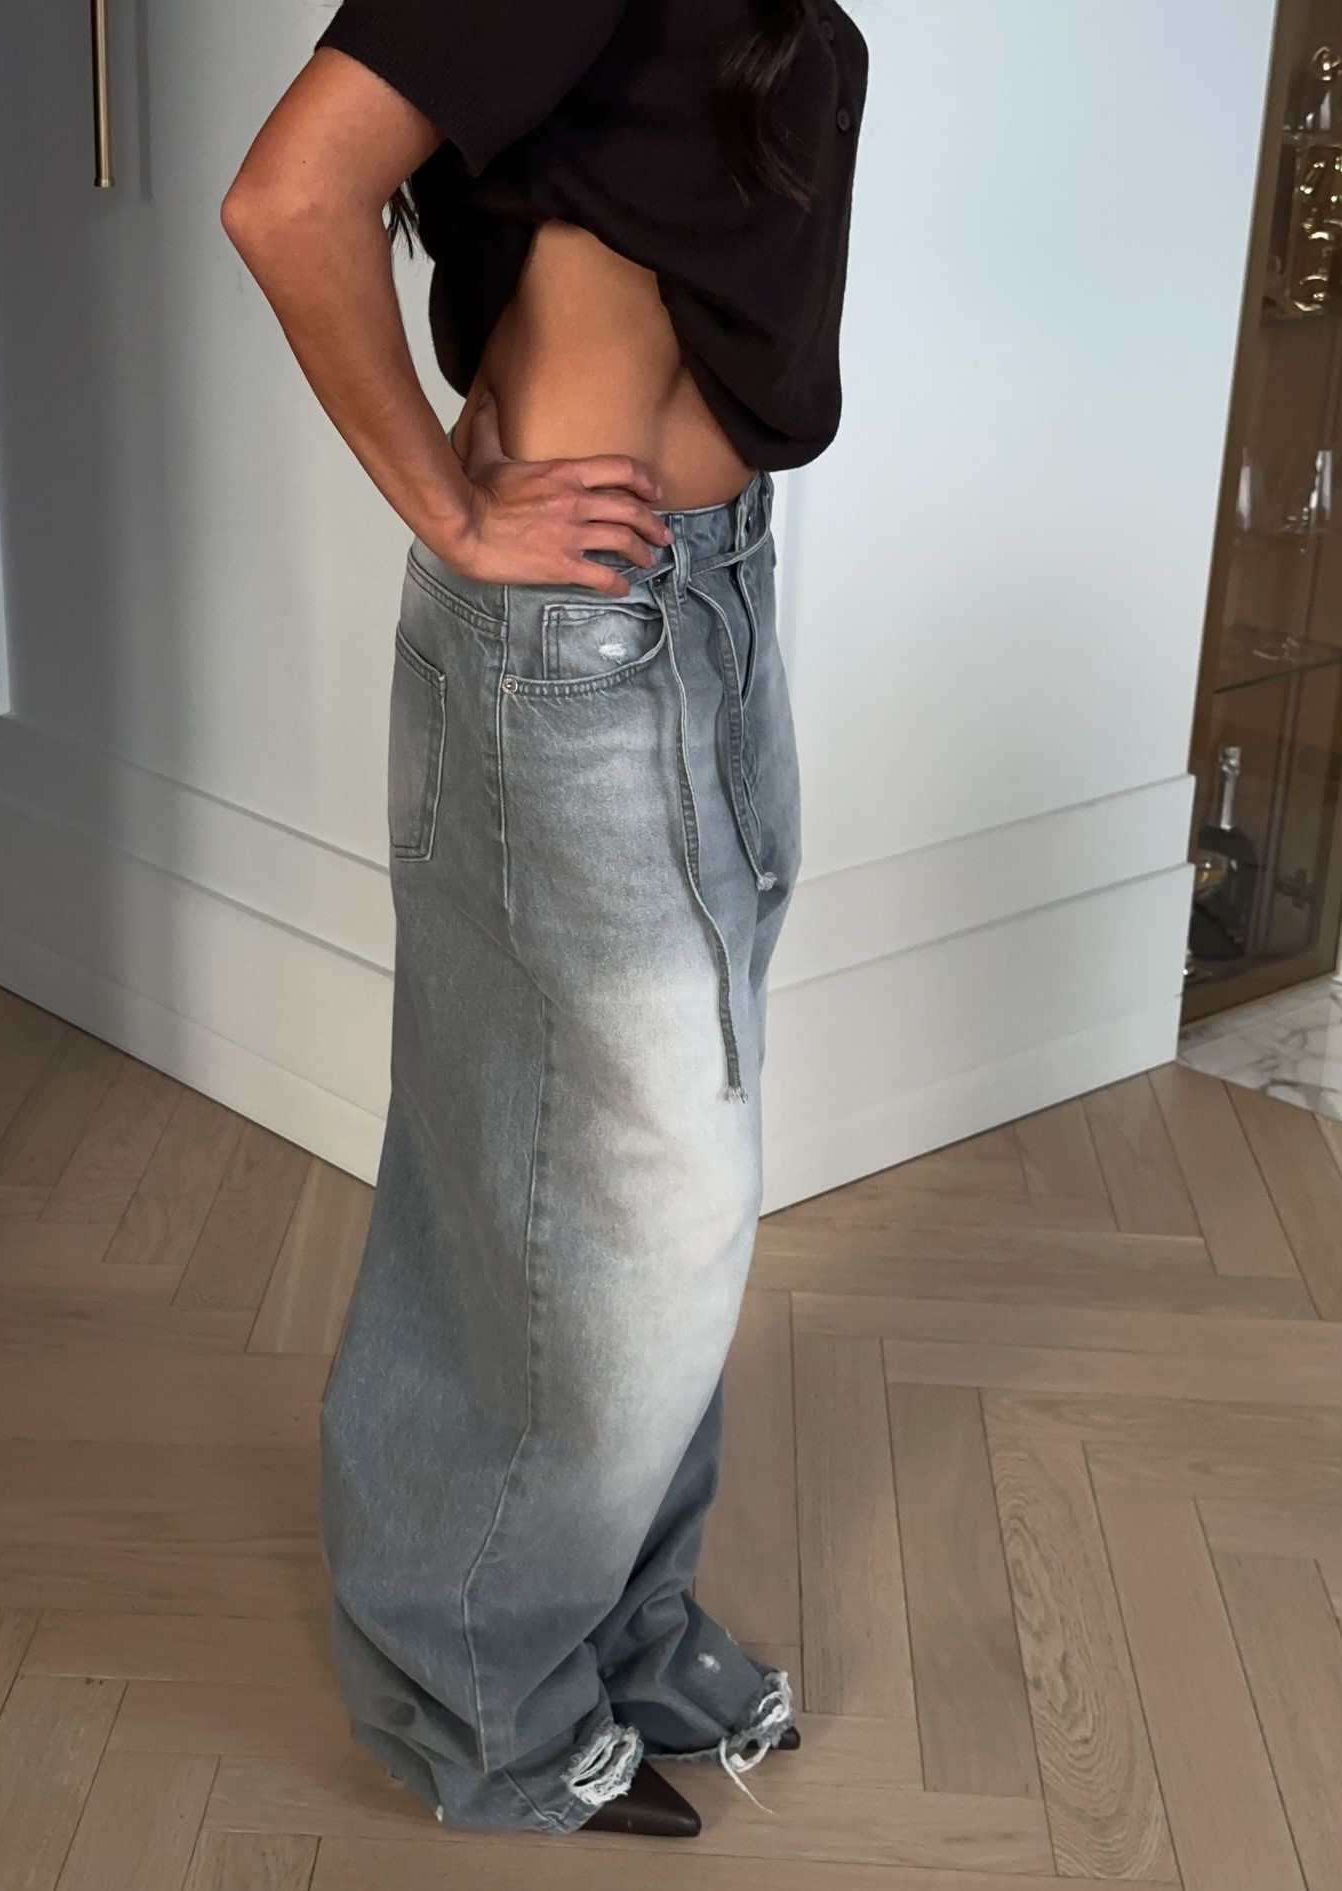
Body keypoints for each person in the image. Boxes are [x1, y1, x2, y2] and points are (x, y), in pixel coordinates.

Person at [221, 0, 867, 1840]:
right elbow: (288, 200)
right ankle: (478, 1699)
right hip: (578, 642)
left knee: (636, 1195)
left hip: (699, 594)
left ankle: (616, 1627)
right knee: (620, 1196)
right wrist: (448, 506)